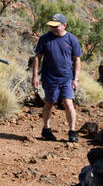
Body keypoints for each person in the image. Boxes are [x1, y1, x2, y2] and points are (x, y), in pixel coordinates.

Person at [32, 13, 82, 142]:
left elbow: (77, 60)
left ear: (64, 25)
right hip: (49, 77)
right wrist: (35, 76)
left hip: (67, 77)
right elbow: (37, 57)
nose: (53, 28)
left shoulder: (72, 39)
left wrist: (76, 79)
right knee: (49, 103)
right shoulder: (44, 39)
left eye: (56, 26)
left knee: (68, 103)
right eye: (51, 26)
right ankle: (46, 129)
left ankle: (72, 131)